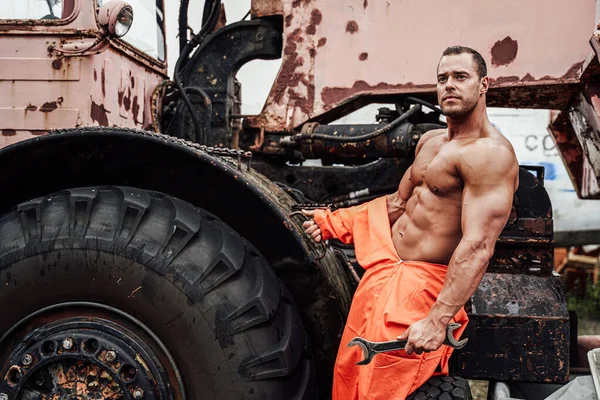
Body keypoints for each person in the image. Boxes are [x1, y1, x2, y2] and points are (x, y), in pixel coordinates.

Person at [302, 46, 520, 399]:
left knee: (387, 389)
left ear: (483, 84)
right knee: (351, 378)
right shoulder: (432, 142)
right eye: (442, 78)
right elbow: (399, 203)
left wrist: (438, 320)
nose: (449, 85)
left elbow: (478, 246)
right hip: (382, 277)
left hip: (420, 289)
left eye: (460, 77)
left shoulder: (490, 155)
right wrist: (333, 223)